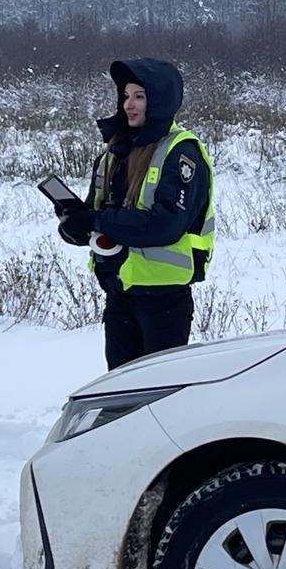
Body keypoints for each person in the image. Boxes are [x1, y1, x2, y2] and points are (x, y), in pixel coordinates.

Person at [57, 59, 215, 370]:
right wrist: (74, 223)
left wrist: (97, 221)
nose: (129, 105)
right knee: (120, 396)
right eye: (125, 95)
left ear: (159, 100)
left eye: (139, 96)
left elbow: (165, 225)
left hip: (163, 300)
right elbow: (97, 216)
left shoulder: (181, 153)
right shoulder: (113, 152)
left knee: (159, 398)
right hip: (118, 293)